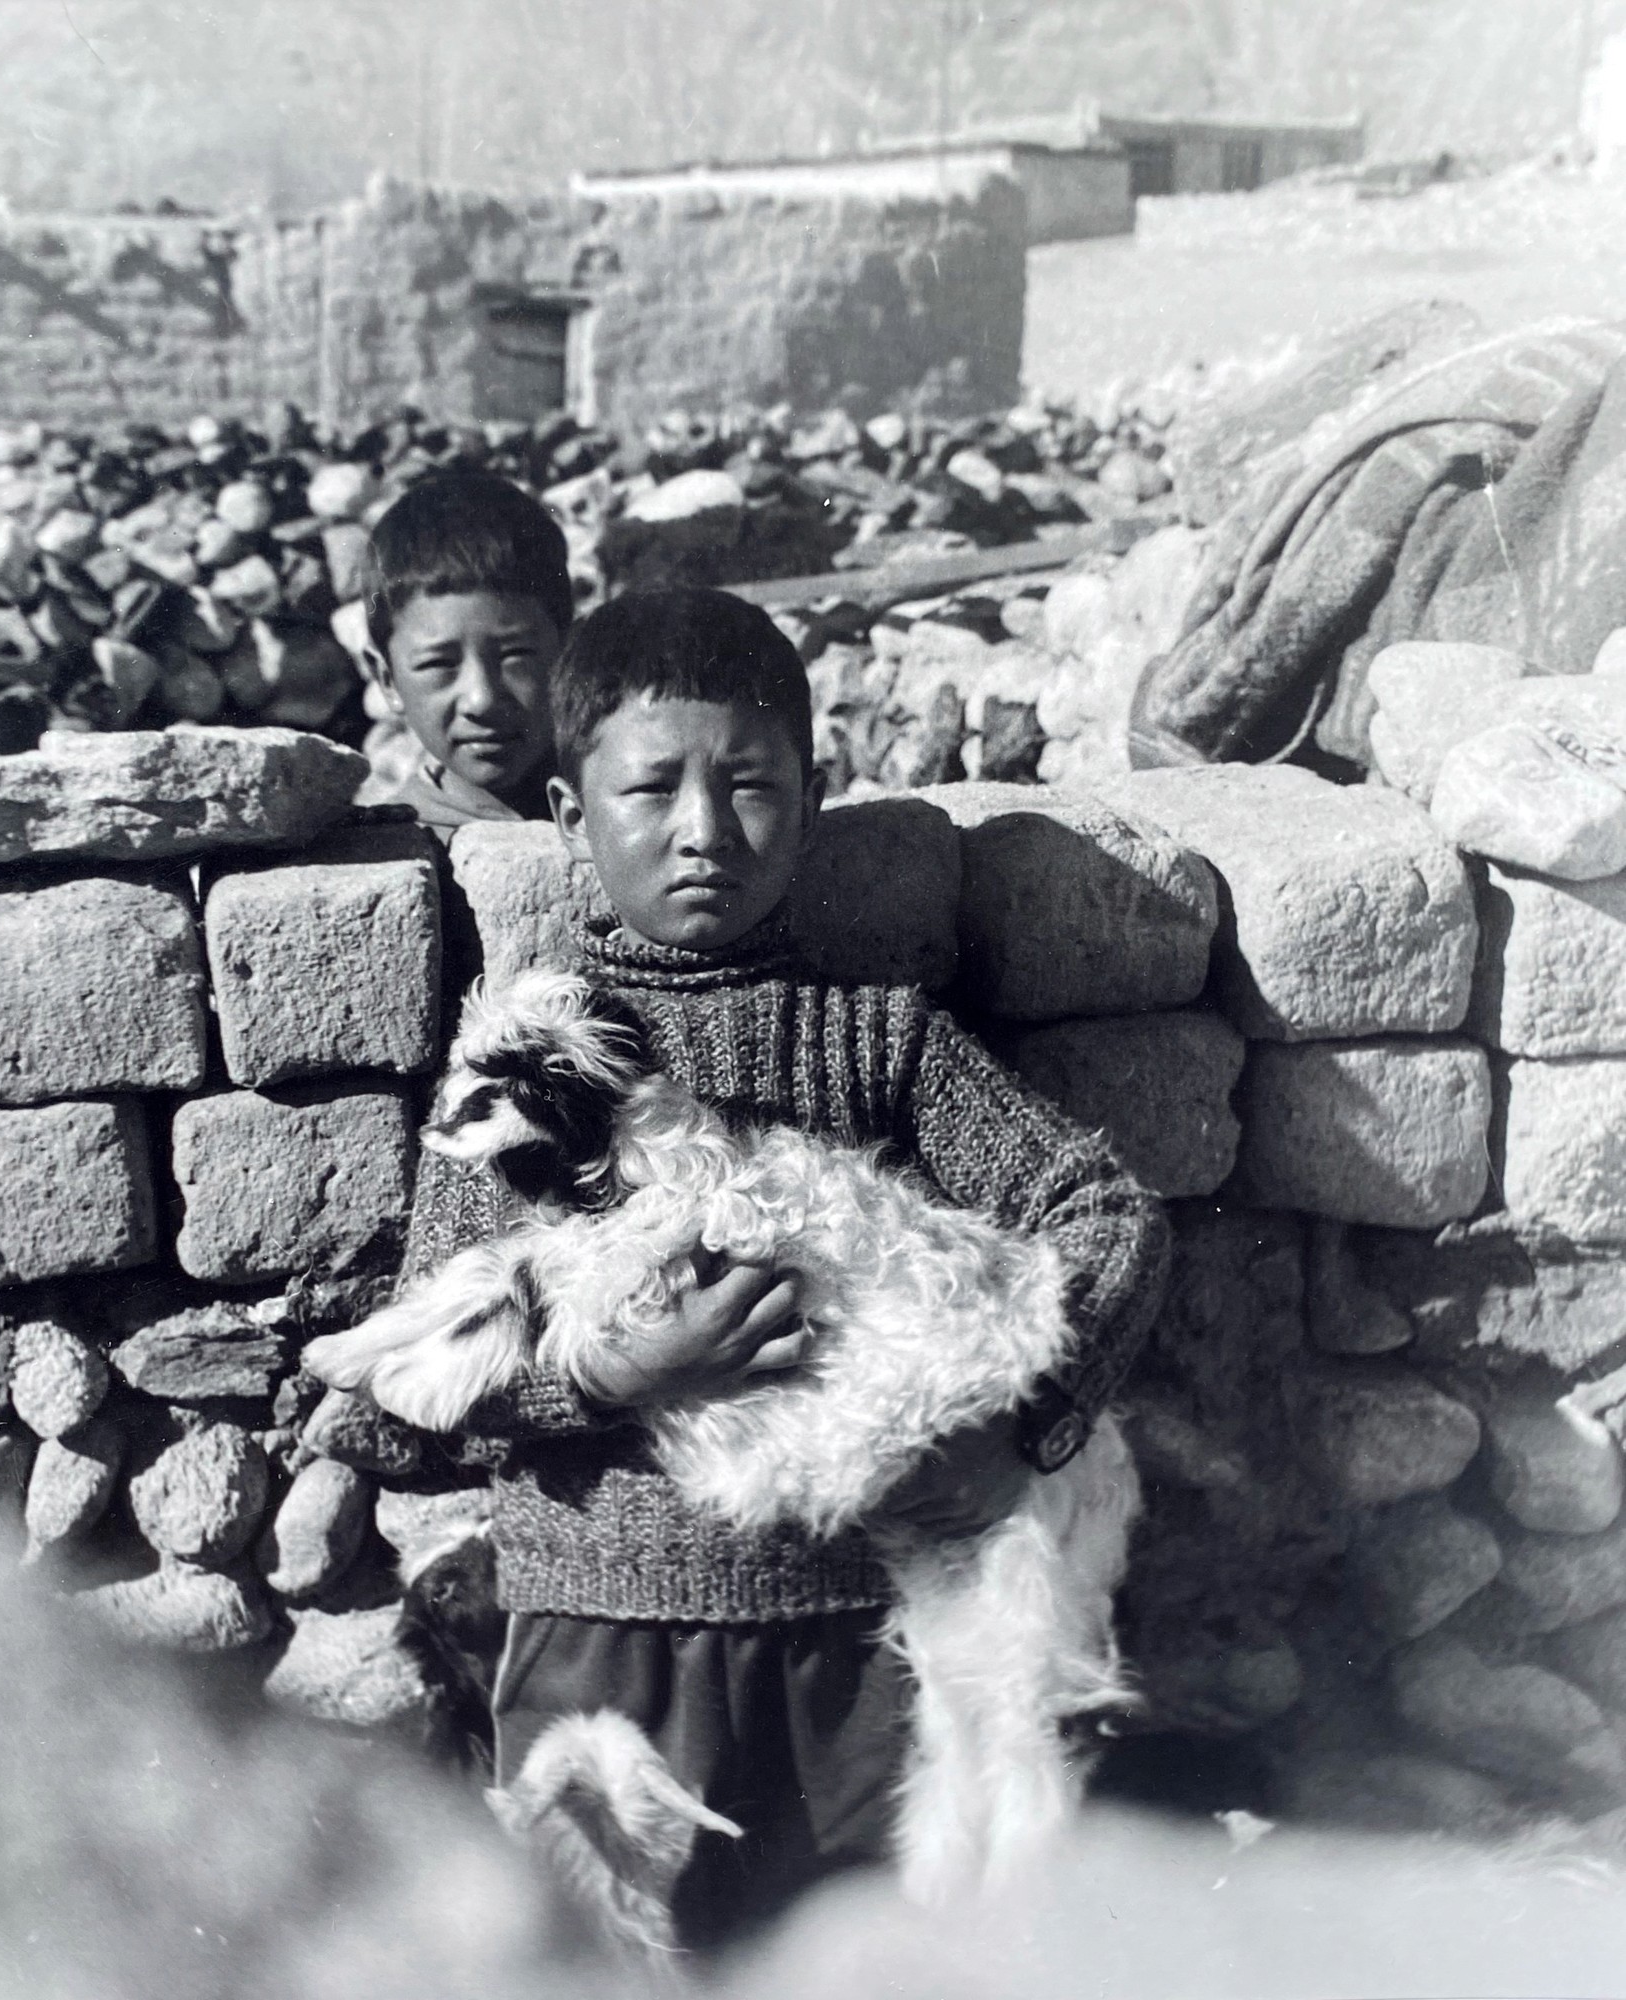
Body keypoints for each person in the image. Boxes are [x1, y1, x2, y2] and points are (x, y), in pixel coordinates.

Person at [375, 586, 1170, 1949]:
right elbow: (411, 1391)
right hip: (598, 1641)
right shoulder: (521, 1065)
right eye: (650, 789)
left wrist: (1029, 1426)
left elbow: (1102, 1208)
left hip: (859, 1647)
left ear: (810, 802)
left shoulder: (876, 1041)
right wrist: (612, 1375)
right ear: (568, 812)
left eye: (747, 785)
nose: (702, 829)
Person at [357, 470, 572, 834]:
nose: (481, 699)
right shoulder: (389, 845)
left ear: (568, 655)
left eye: (515, 655)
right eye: (439, 663)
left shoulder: (633, 812)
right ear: (387, 680)